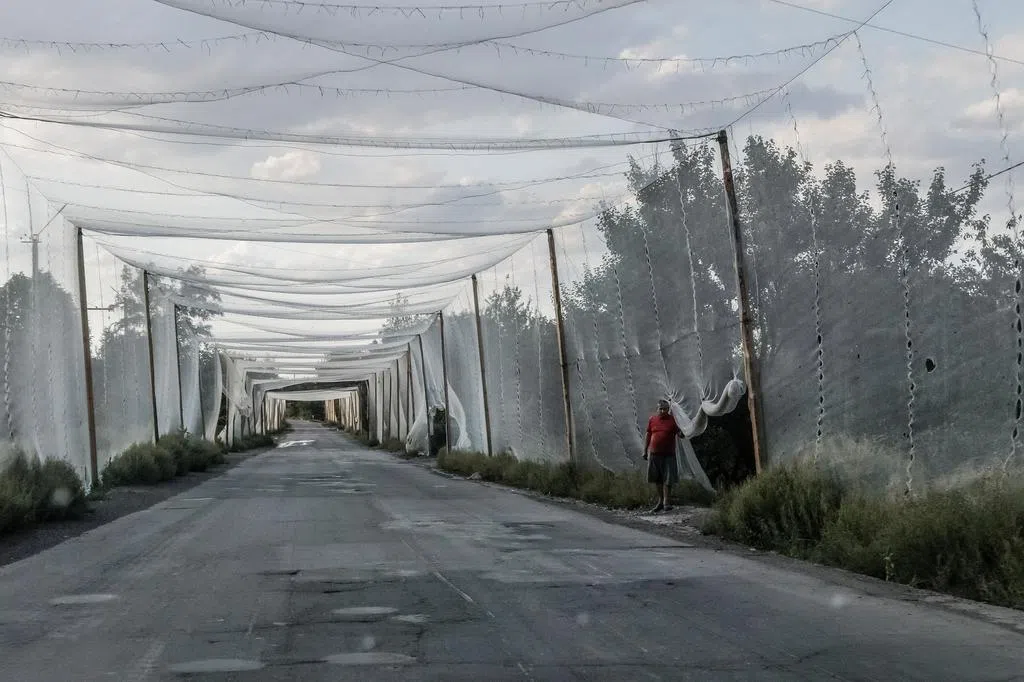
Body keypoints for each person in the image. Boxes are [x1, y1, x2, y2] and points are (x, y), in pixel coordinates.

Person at [643, 399, 683, 513]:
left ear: (668, 409)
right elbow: (648, 434)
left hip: (669, 454)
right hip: (654, 454)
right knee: (657, 479)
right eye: (660, 409)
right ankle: (660, 501)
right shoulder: (652, 419)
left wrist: (684, 432)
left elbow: (680, 433)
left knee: (668, 479)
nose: (662, 411)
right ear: (657, 409)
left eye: (665, 409)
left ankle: (666, 502)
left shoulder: (673, 420)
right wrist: (645, 450)